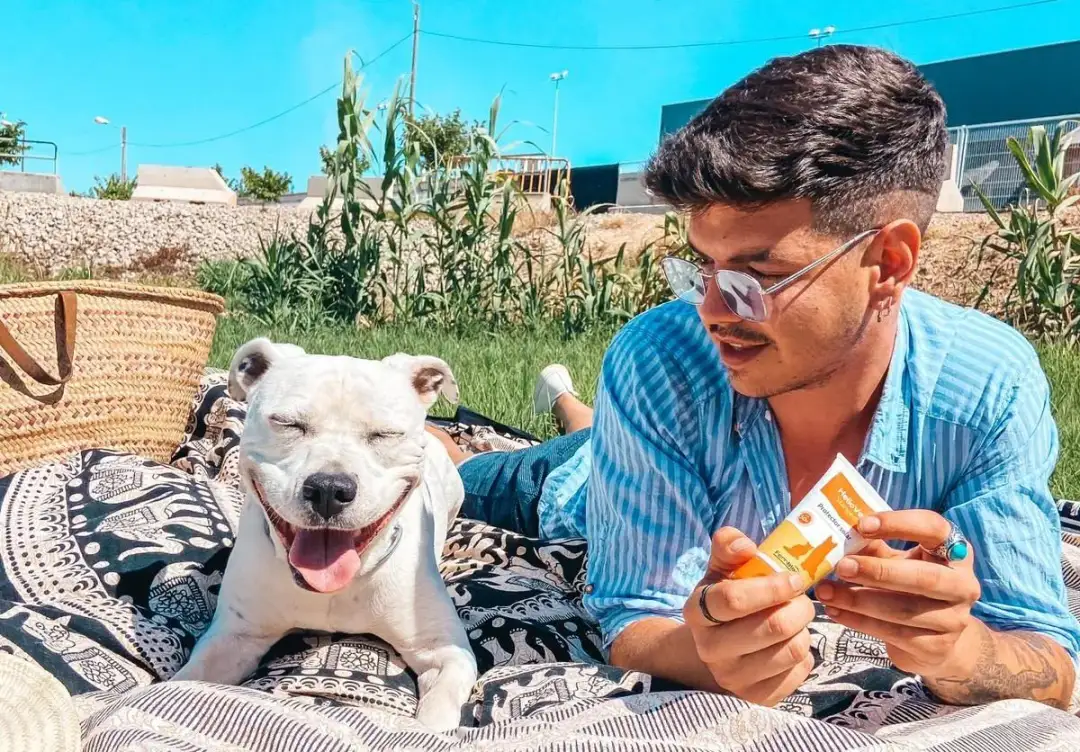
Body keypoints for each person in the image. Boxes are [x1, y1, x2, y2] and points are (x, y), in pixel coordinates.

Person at [436, 43, 1080, 712]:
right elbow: (634, 620)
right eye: (703, 269)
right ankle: (551, 417)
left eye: (756, 278)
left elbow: (1049, 661)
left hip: (648, 445)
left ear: (888, 263)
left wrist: (962, 652)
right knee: (449, 465)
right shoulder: (663, 357)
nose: (712, 311)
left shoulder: (983, 387)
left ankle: (569, 403)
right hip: (570, 485)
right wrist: (709, 656)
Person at [425, 364, 594, 539]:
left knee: (599, 438)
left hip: (590, 455)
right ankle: (405, 422)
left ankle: (562, 399)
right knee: (454, 471)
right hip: (562, 485)